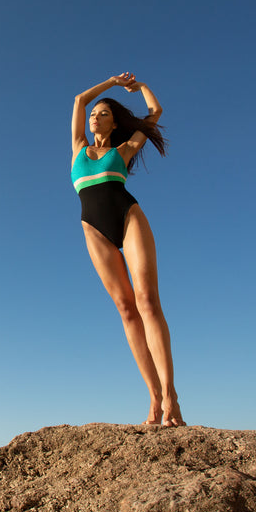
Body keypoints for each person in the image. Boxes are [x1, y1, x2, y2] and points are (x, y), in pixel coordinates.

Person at [71, 72, 185, 427]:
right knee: (126, 309)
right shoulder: (78, 147)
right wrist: (109, 82)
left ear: (115, 122)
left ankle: (171, 399)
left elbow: (155, 111)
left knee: (147, 301)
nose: (94, 117)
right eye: (94, 114)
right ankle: (153, 399)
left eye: (103, 113)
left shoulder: (124, 149)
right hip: (94, 228)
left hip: (128, 217)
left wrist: (138, 87)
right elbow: (79, 99)